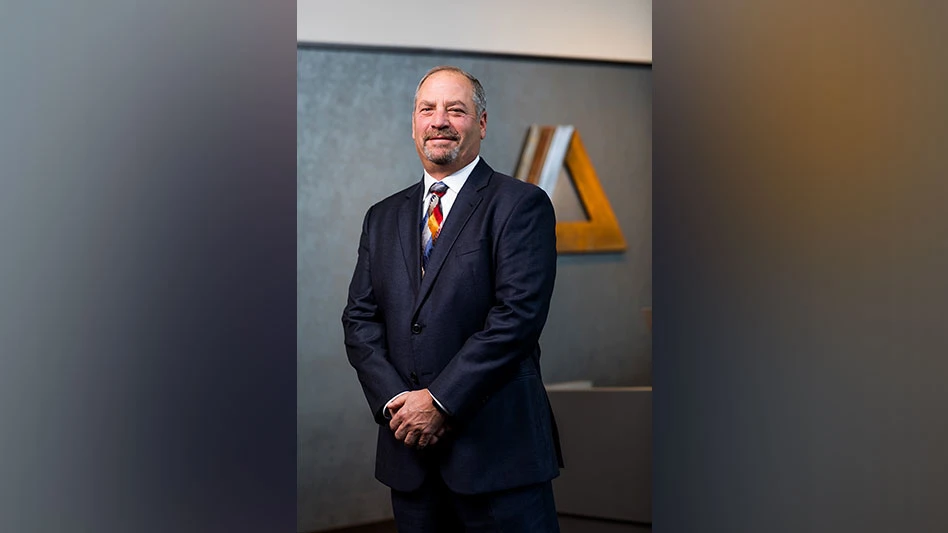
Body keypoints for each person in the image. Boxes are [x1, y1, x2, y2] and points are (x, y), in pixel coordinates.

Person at [342, 65, 563, 532]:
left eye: (456, 110)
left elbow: (516, 319)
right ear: (414, 123)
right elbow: (360, 321)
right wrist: (399, 402)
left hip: (498, 458)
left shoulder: (520, 204)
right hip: (411, 461)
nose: (439, 120)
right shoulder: (381, 217)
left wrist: (438, 401)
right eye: (428, 109)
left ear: (480, 124)